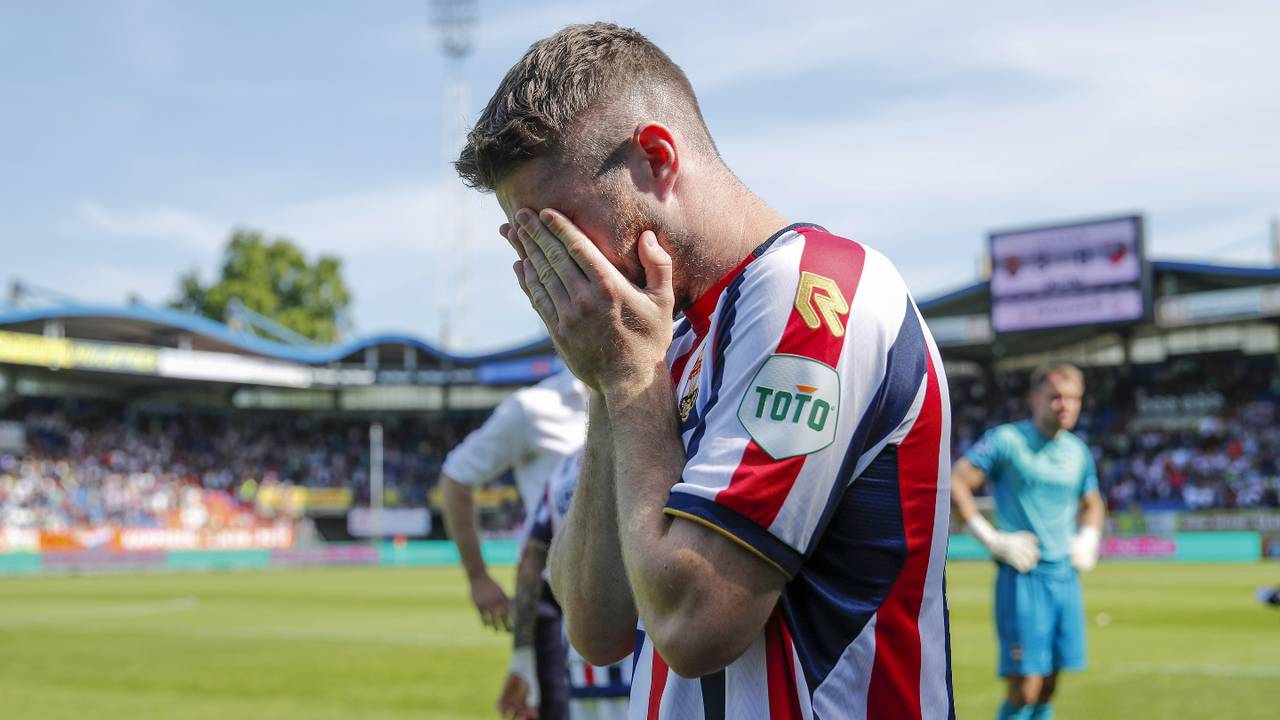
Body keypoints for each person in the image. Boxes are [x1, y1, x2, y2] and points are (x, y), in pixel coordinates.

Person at [455, 22, 955, 718]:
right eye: (533, 241)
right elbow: (595, 628)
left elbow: (695, 625)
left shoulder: (817, 293)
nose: (559, 270)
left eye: (562, 231)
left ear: (657, 158)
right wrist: (612, 381)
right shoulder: (663, 337)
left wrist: (628, 379)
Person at [950, 363, 1106, 720]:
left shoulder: (1077, 452)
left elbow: (1093, 502)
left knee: (1050, 683)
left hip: (1065, 578)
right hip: (1023, 576)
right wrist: (991, 538)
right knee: (1025, 687)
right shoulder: (1007, 440)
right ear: (1034, 399)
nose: (1064, 405)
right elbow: (957, 482)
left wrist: (1089, 537)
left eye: (1073, 398)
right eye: (1055, 397)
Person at [439, 368, 587, 720]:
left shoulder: (662, 379)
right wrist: (477, 576)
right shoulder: (533, 408)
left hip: (643, 597)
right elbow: (456, 477)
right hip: (557, 601)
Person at [498, 450, 632, 720]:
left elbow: (530, 568)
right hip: (641, 669)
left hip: (579, 666)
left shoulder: (563, 472)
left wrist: (523, 660)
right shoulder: (647, 447)